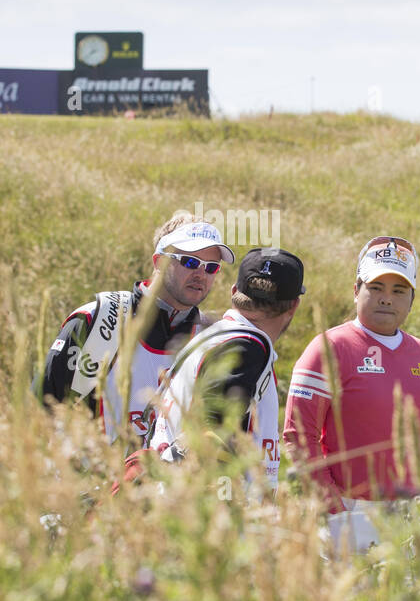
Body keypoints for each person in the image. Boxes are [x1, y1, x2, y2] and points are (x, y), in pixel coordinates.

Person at [283, 236, 420, 576]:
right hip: (352, 512)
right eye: (376, 286)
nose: (386, 298)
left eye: (399, 291)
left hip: (417, 513)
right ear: (356, 289)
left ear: (412, 299)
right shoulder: (328, 348)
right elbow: (298, 435)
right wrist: (333, 507)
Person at [39, 212, 232, 444]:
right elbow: (40, 410)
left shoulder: (211, 339)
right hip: (88, 477)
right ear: (159, 261)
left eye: (211, 267)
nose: (201, 274)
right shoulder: (99, 318)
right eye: (190, 262)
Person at [143, 247, 305, 495]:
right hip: (202, 518)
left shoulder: (210, 338)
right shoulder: (247, 347)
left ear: (234, 292)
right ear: (294, 305)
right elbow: (210, 436)